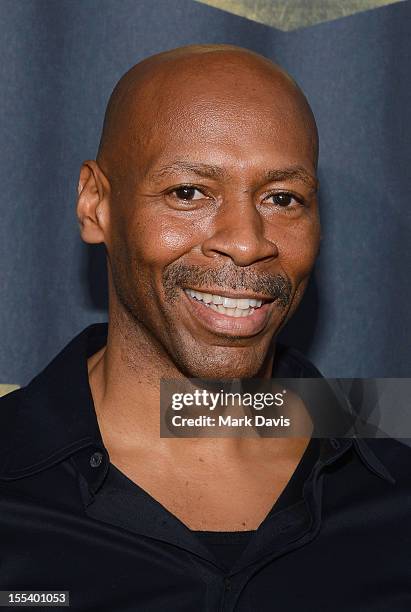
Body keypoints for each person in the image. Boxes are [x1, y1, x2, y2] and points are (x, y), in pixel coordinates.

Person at [0, 44, 410, 611]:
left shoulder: (392, 474)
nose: (246, 241)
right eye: (188, 193)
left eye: (282, 198)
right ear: (97, 204)